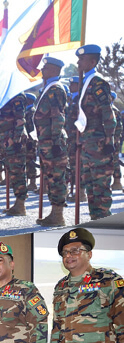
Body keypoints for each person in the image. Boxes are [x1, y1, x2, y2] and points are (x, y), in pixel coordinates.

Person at [73, 44, 117, 220]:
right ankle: (95, 220)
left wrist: (109, 140)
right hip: (88, 143)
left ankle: (105, 223)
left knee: (101, 188)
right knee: (90, 186)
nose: (78, 62)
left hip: (99, 143)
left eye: (82, 59)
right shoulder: (87, 82)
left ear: (92, 61)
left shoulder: (98, 82)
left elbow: (108, 112)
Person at [33, 57, 68, 227]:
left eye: (45, 68)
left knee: (56, 178)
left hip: (53, 143)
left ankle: (58, 216)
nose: (42, 71)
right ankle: (54, 214)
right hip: (46, 141)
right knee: (50, 178)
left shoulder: (55, 89)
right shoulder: (48, 89)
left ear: (54, 70)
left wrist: (55, 142)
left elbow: (58, 117)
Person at [0, 93, 29, 216]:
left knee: (18, 171)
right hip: (7, 139)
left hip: (14, 141)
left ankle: (21, 205)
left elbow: (20, 120)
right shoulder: (6, 94)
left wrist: (15, 140)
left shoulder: (17, 95)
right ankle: (18, 203)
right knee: (13, 172)